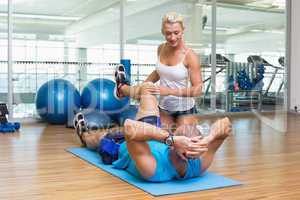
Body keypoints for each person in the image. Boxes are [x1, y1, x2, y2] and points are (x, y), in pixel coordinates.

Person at [75, 81, 232, 182]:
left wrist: (170, 139)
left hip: (124, 144)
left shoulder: (153, 170)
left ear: (177, 147)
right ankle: (122, 89)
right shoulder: (199, 163)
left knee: (98, 138)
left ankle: (83, 134)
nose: (176, 128)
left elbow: (130, 127)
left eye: (177, 132)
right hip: (153, 132)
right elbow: (226, 124)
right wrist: (209, 138)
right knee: (148, 88)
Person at [144, 11, 203, 130]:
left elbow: (197, 90)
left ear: (183, 30)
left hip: (185, 110)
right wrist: (145, 85)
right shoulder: (161, 48)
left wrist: (169, 91)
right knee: (165, 143)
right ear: (163, 32)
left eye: (176, 33)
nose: (172, 37)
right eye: (168, 33)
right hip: (164, 108)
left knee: (183, 146)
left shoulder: (190, 55)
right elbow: (160, 72)